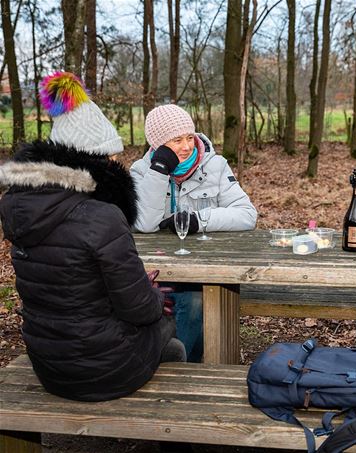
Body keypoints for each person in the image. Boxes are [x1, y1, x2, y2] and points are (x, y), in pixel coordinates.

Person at [0, 72, 186, 402]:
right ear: (94, 162)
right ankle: (171, 431)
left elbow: (70, 283)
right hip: (102, 371)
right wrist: (152, 294)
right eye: (111, 157)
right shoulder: (101, 216)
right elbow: (140, 310)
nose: (117, 163)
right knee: (170, 331)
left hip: (49, 366)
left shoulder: (19, 207)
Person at [130, 105, 257, 362]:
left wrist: (200, 220)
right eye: (177, 140)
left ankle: (181, 369)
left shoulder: (215, 166)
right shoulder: (141, 171)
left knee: (195, 302)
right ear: (158, 143)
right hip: (158, 270)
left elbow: (247, 214)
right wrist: (159, 170)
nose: (187, 146)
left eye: (190, 136)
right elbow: (143, 223)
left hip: (205, 271)